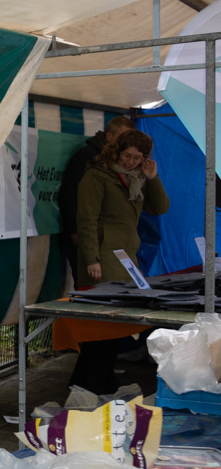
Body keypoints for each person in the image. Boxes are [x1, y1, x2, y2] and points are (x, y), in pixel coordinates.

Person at [69, 127, 169, 394]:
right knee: (100, 330)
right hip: (102, 258)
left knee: (112, 330)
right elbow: (86, 220)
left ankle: (95, 383)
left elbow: (159, 208)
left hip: (126, 260)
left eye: (138, 157)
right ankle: (91, 385)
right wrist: (91, 258)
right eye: (127, 155)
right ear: (115, 150)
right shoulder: (97, 176)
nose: (131, 162)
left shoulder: (136, 178)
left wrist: (153, 178)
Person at [58, 115, 135, 289]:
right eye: (123, 138)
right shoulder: (88, 157)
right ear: (109, 136)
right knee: (91, 289)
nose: (127, 143)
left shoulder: (121, 162)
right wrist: (74, 231)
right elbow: (70, 196)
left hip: (109, 241)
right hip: (86, 236)